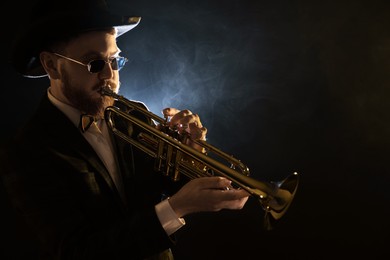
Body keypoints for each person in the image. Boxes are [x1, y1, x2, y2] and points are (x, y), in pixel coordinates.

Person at [0, 0, 250, 259]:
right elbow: (77, 251)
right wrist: (175, 208)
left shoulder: (131, 115)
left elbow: (167, 189)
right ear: (52, 65)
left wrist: (190, 156)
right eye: (94, 64)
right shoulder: (24, 151)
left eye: (115, 60)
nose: (109, 75)